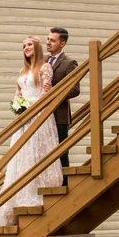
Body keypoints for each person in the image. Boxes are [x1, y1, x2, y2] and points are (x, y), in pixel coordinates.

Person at [0, 36, 64, 237]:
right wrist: (18, 108)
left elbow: (46, 92)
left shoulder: (45, 68)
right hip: (23, 119)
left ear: (37, 47)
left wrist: (31, 107)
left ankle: (37, 189)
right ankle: (19, 194)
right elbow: (18, 94)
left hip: (39, 116)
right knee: (21, 157)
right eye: (23, 46)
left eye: (29, 45)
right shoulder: (22, 72)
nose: (26, 48)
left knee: (36, 154)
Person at [46, 27, 80, 186]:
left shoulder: (69, 63)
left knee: (61, 150)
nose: (48, 42)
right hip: (43, 115)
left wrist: (55, 93)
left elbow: (75, 89)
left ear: (62, 43)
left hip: (59, 115)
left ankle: (64, 184)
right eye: (48, 39)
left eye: (52, 40)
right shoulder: (42, 61)